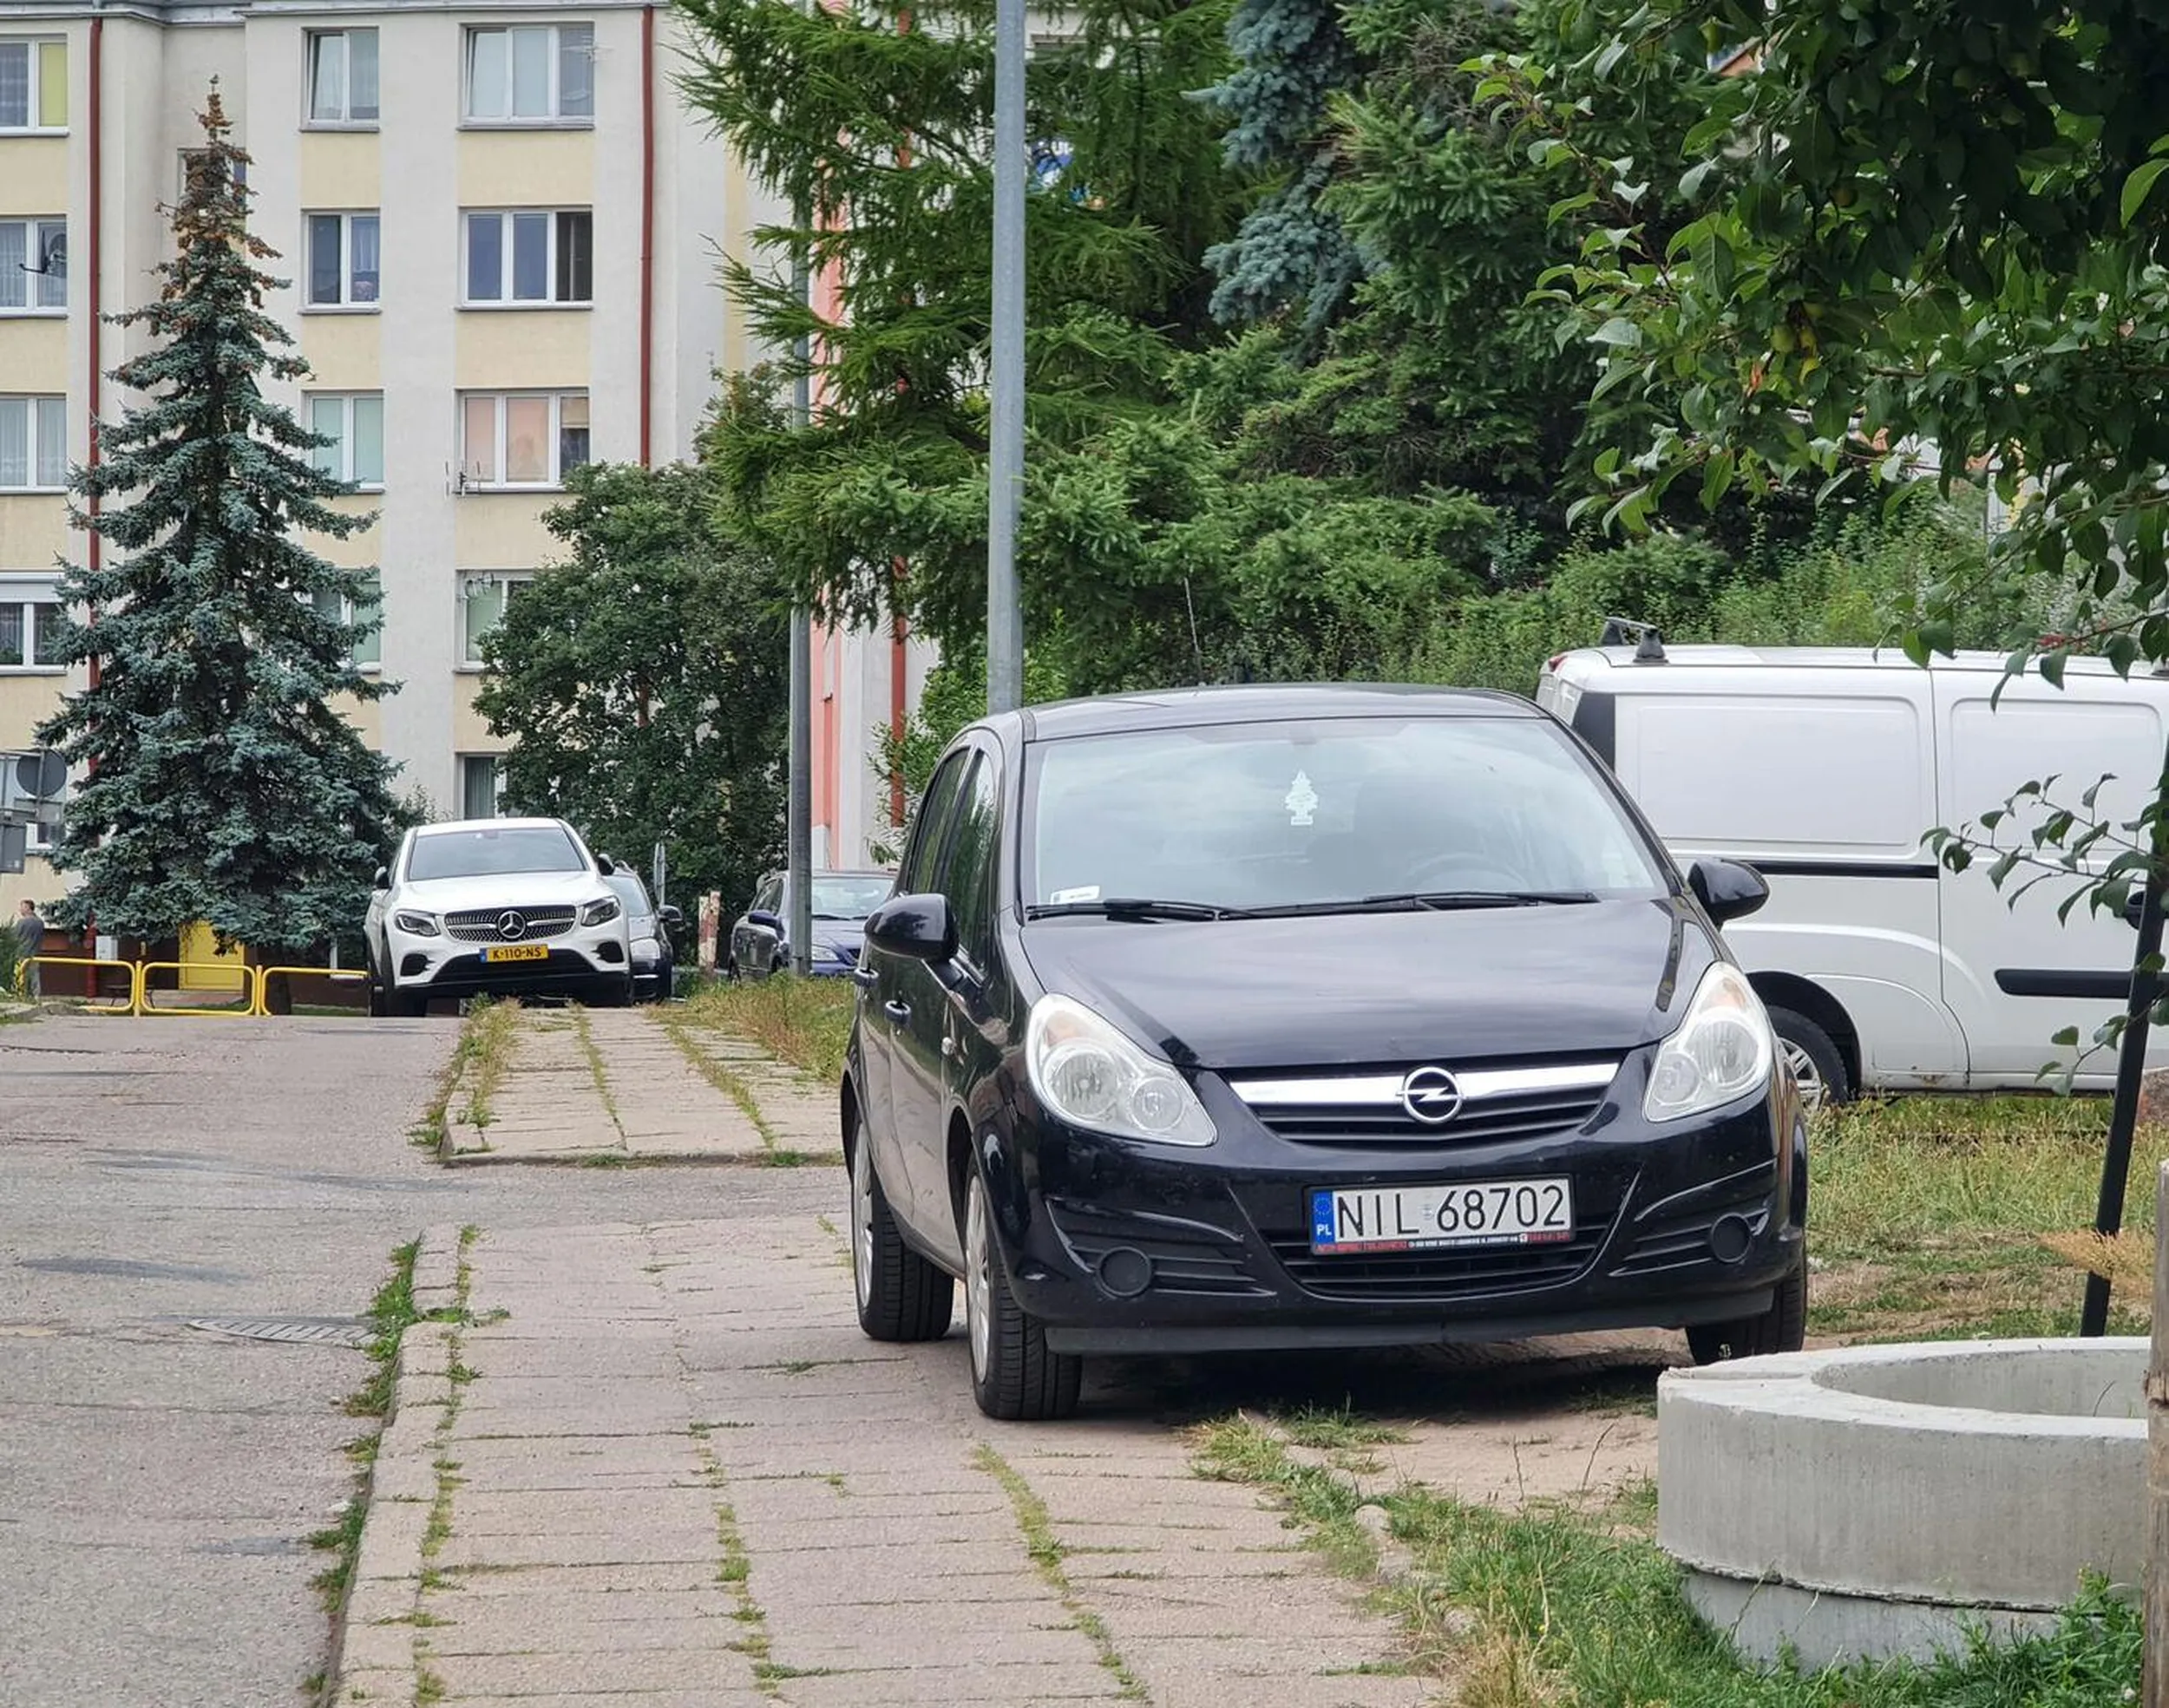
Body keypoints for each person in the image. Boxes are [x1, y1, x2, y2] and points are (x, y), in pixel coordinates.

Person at [13, 899, 44, 999]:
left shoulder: (22, 922)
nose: (20, 910)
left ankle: (21, 995)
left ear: (28, 908)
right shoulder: (40, 922)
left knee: (20, 975)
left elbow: (14, 937)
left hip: (21, 953)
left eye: (22, 907)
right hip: (35, 953)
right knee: (35, 975)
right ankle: (36, 996)